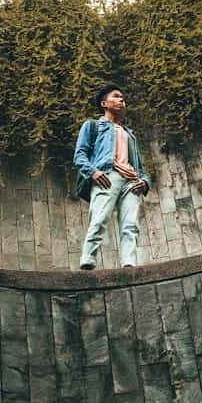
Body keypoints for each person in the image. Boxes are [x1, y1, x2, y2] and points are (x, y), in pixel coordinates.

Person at [73, 87, 151, 269]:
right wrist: (94, 172)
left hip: (131, 182)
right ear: (104, 104)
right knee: (99, 218)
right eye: (116, 97)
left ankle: (129, 263)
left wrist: (144, 182)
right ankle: (88, 259)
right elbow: (80, 155)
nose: (121, 100)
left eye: (123, 98)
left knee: (130, 225)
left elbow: (140, 166)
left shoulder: (130, 133)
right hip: (107, 176)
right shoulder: (93, 126)